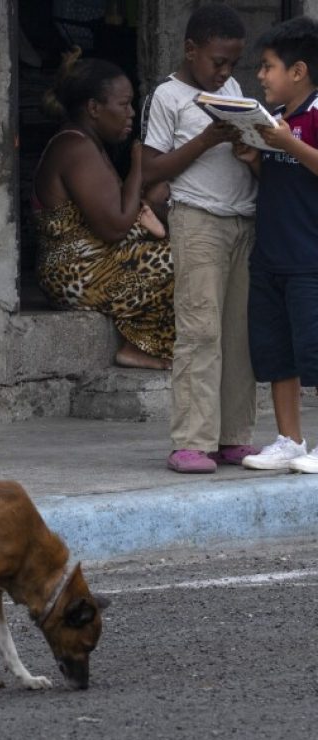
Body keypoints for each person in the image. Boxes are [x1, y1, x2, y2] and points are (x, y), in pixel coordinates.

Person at [141, 3, 260, 474]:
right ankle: (191, 440)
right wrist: (208, 140)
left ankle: (233, 436)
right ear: (191, 50)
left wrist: (249, 144)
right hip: (198, 221)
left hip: (241, 220)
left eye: (233, 63)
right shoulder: (167, 97)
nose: (225, 72)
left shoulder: (229, 90)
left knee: (238, 335)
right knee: (200, 331)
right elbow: (151, 168)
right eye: (217, 61)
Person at [33, 50, 176, 371]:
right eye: (123, 104)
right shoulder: (76, 147)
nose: (131, 113)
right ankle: (140, 348)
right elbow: (114, 227)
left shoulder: (86, 141)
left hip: (94, 262)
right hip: (78, 273)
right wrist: (138, 165)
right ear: (94, 108)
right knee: (188, 260)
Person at [237, 17, 318, 472]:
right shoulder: (278, 123)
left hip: (310, 257)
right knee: (277, 352)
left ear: (299, 70)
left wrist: (291, 143)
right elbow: (284, 179)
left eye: (268, 66)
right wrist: (255, 157)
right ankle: (290, 439)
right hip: (271, 254)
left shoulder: (313, 115)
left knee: (315, 351)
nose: (262, 76)